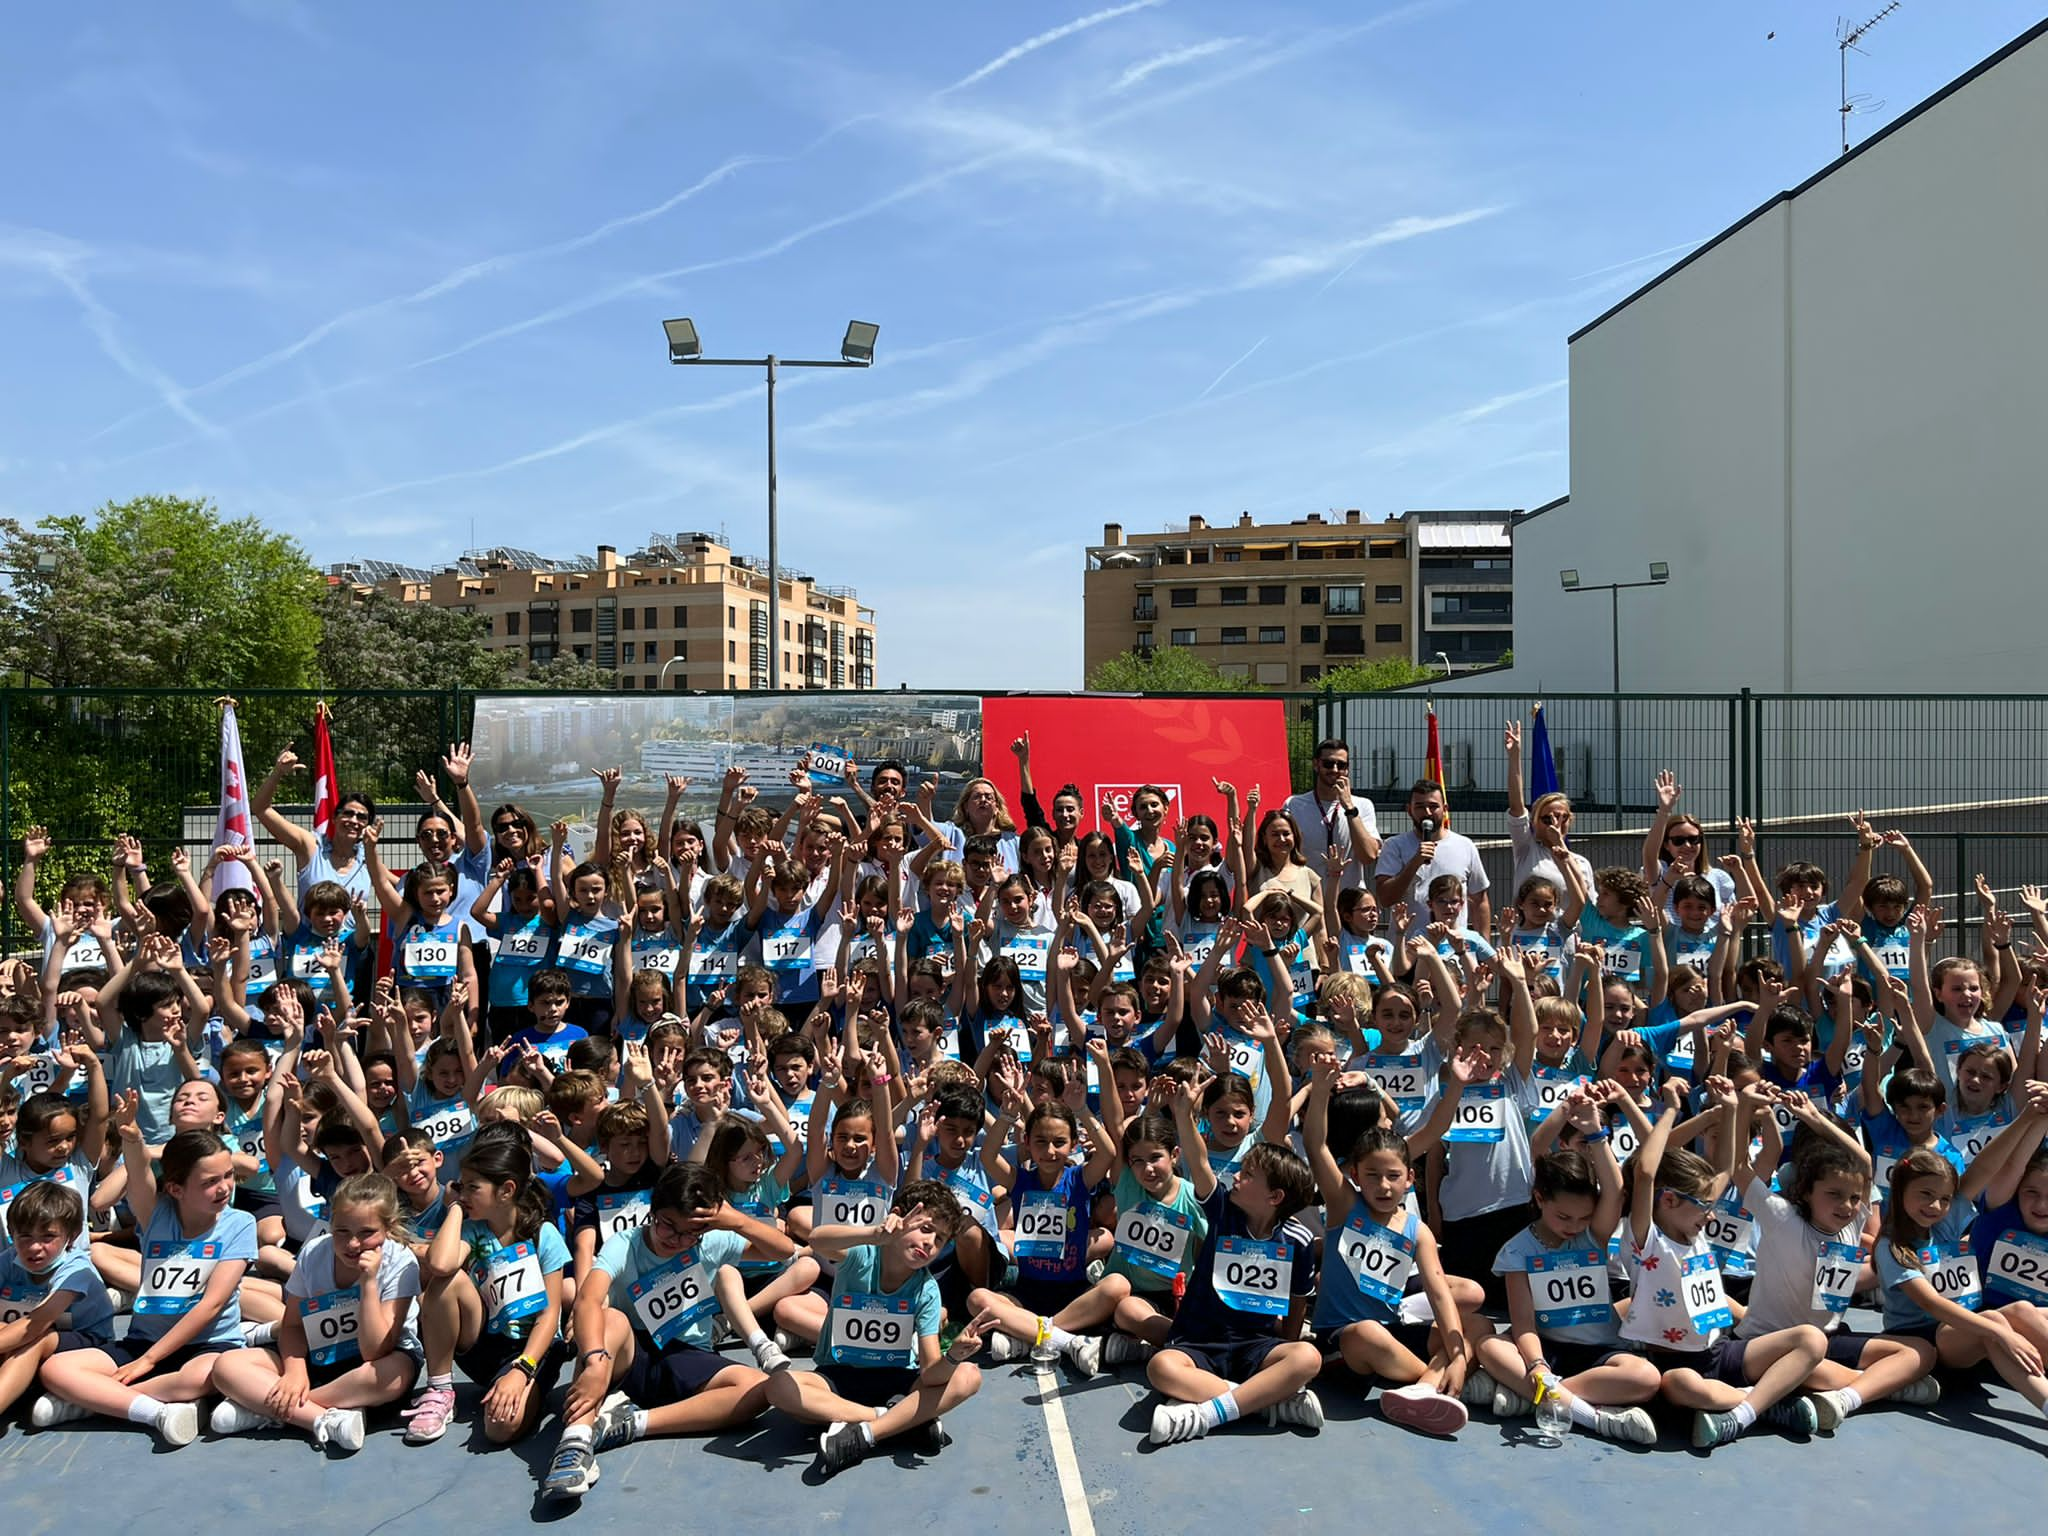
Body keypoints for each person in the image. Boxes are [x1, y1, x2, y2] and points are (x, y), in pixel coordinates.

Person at [542, 1161, 798, 1500]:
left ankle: (632, 1424)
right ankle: (573, 1443)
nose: (677, 1240)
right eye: (667, 1226)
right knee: (612, 1320)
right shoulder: (626, 1243)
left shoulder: (713, 1241)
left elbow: (783, 1251)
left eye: (690, 1232)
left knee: (757, 1387)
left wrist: (735, 1220)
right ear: (653, 1211)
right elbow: (588, 1299)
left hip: (687, 1355)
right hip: (630, 1354)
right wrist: (592, 1359)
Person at [1621, 1079, 1826, 1448]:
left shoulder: (1694, 1227)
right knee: (1683, 1387)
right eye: (1703, 1204)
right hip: (1676, 1365)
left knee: (1812, 1340)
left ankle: (1743, 1412)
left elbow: (1728, 1168)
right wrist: (1670, 1109)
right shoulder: (1647, 1241)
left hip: (1721, 1350)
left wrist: (1732, 1109)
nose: (1711, 1212)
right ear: (1668, 1201)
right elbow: (1646, 1173)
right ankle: (1766, 1402)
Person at [35, 1127, 256, 1447]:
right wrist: (134, 1140)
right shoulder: (155, 1214)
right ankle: (151, 1409)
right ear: (176, 1189)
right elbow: (138, 1175)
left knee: (206, 1375)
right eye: (209, 1182)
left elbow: (211, 1305)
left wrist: (149, 1362)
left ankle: (93, 1400)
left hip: (209, 1344)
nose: (224, 1188)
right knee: (56, 1369)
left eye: (228, 1175)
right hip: (142, 1341)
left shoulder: (240, 1224)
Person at [1144, 1074, 1323, 1444]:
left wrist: (1286, 1349)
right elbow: (1199, 1161)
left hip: (1254, 1345)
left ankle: (1207, 1413)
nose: (1236, 1176)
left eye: (1248, 1174)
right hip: (1198, 1340)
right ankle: (1268, 1402)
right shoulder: (1223, 1209)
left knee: (1307, 1358)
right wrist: (1183, 1115)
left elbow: (1297, 1303)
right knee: (1161, 1367)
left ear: (1274, 1197)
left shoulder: (1298, 1241)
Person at [209, 1172, 423, 1452]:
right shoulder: (313, 1252)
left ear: (388, 1228)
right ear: (331, 1223)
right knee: (227, 1366)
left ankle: (267, 1408)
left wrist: (369, 1283)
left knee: (392, 1375)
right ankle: (323, 1417)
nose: (353, 1244)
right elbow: (293, 1326)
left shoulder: (400, 1262)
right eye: (342, 1231)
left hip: (377, 1360)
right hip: (320, 1352)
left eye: (367, 1233)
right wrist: (294, 1373)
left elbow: (375, 1351)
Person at [0, 1181, 115, 1418]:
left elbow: (38, 1323)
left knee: (35, 1339)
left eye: (48, 1236)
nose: (34, 1247)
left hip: (88, 1343)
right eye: (24, 1236)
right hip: (28, 1333)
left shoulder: (76, 1269)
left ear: (71, 1237)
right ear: (12, 1233)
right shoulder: (8, 1260)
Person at [1375, 780, 1490, 949]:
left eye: (1433, 806)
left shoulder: (1465, 846)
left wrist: (1484, 948)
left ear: (1445, 809)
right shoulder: (1394, 845)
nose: (1427, 812)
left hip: (1453, 950)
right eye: (1420, 806)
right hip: (1409, 950)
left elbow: (1480, 901)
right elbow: (1385, 898)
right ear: (1409, 810)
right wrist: (1414, 863)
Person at [1503, 721, 1594, 902]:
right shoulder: (1527, 849)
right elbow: (1516, 807)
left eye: (1562, 817)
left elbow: (1587, 904)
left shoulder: (1581, 864)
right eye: (1547, 818)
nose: (1555, 823)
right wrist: (1515, 756)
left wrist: (1559, 844)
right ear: (1534, 822)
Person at [1284, 739, 1380, 889]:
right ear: (1316, 764)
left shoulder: (1362, 805)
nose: (1335, 769)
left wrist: (1349, 808)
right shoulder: (1294, 805)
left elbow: (1368, 856)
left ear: (1347, 769)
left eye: (1341, 765)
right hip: (1307, 898)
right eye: (1328, 764)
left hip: (1348, 901)